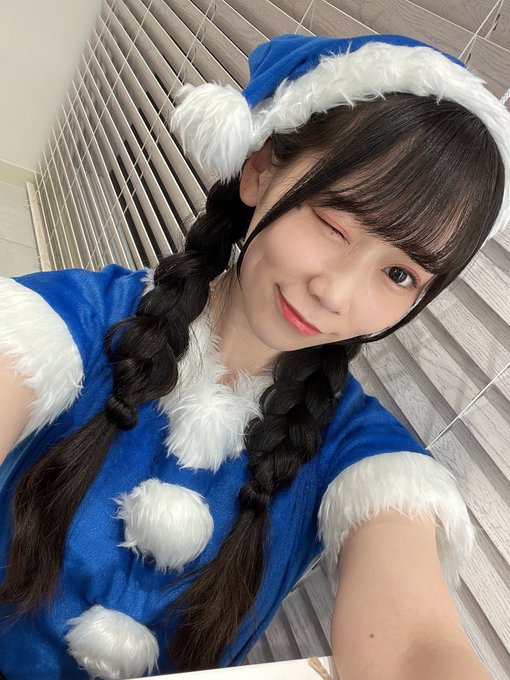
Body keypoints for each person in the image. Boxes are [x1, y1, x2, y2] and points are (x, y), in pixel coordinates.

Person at [0, 32, 508, 680]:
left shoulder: (359, 454)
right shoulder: (70, 324)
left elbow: (412, 648)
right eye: (333, 224)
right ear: (259, 169)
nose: (335, 294)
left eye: (400, 274)